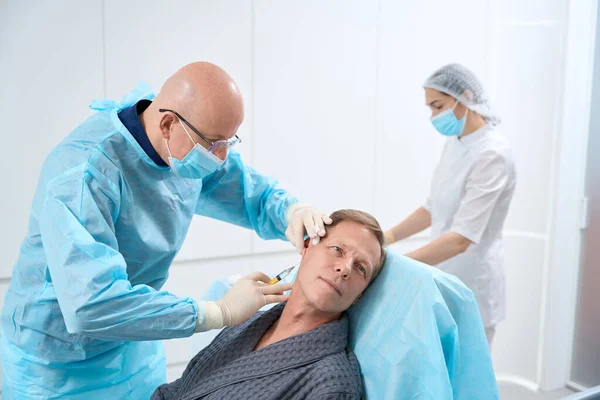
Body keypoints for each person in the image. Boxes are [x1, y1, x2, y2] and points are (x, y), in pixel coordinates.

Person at [0, 62, 331, 399]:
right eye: (214, 144)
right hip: (55, 362)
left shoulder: (182, 142)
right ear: (168, 123)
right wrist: (217, 312)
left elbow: (246, 190)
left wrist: (290, 211)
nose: (222, 157)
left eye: (229, 141)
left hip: (134, 342)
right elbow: (91, 304)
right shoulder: (82, 176)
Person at [152, 209, 387, 400]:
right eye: (337, 250)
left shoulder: (332, 384)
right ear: (306, 246)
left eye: (360, 268)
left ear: (359, 295)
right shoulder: (248, 324)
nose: (344, 268)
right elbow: (180, 390)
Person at [384, 63, 516, 348]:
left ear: (465, 97)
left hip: (473, 283)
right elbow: (433, 208)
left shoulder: (493, 155)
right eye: (430, 107)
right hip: (444, 274)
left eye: (438, 105)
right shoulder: (455, 142)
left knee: (468, 381)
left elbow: (461, 239)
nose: (433, 115)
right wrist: (386, 237)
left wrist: (394, 264)